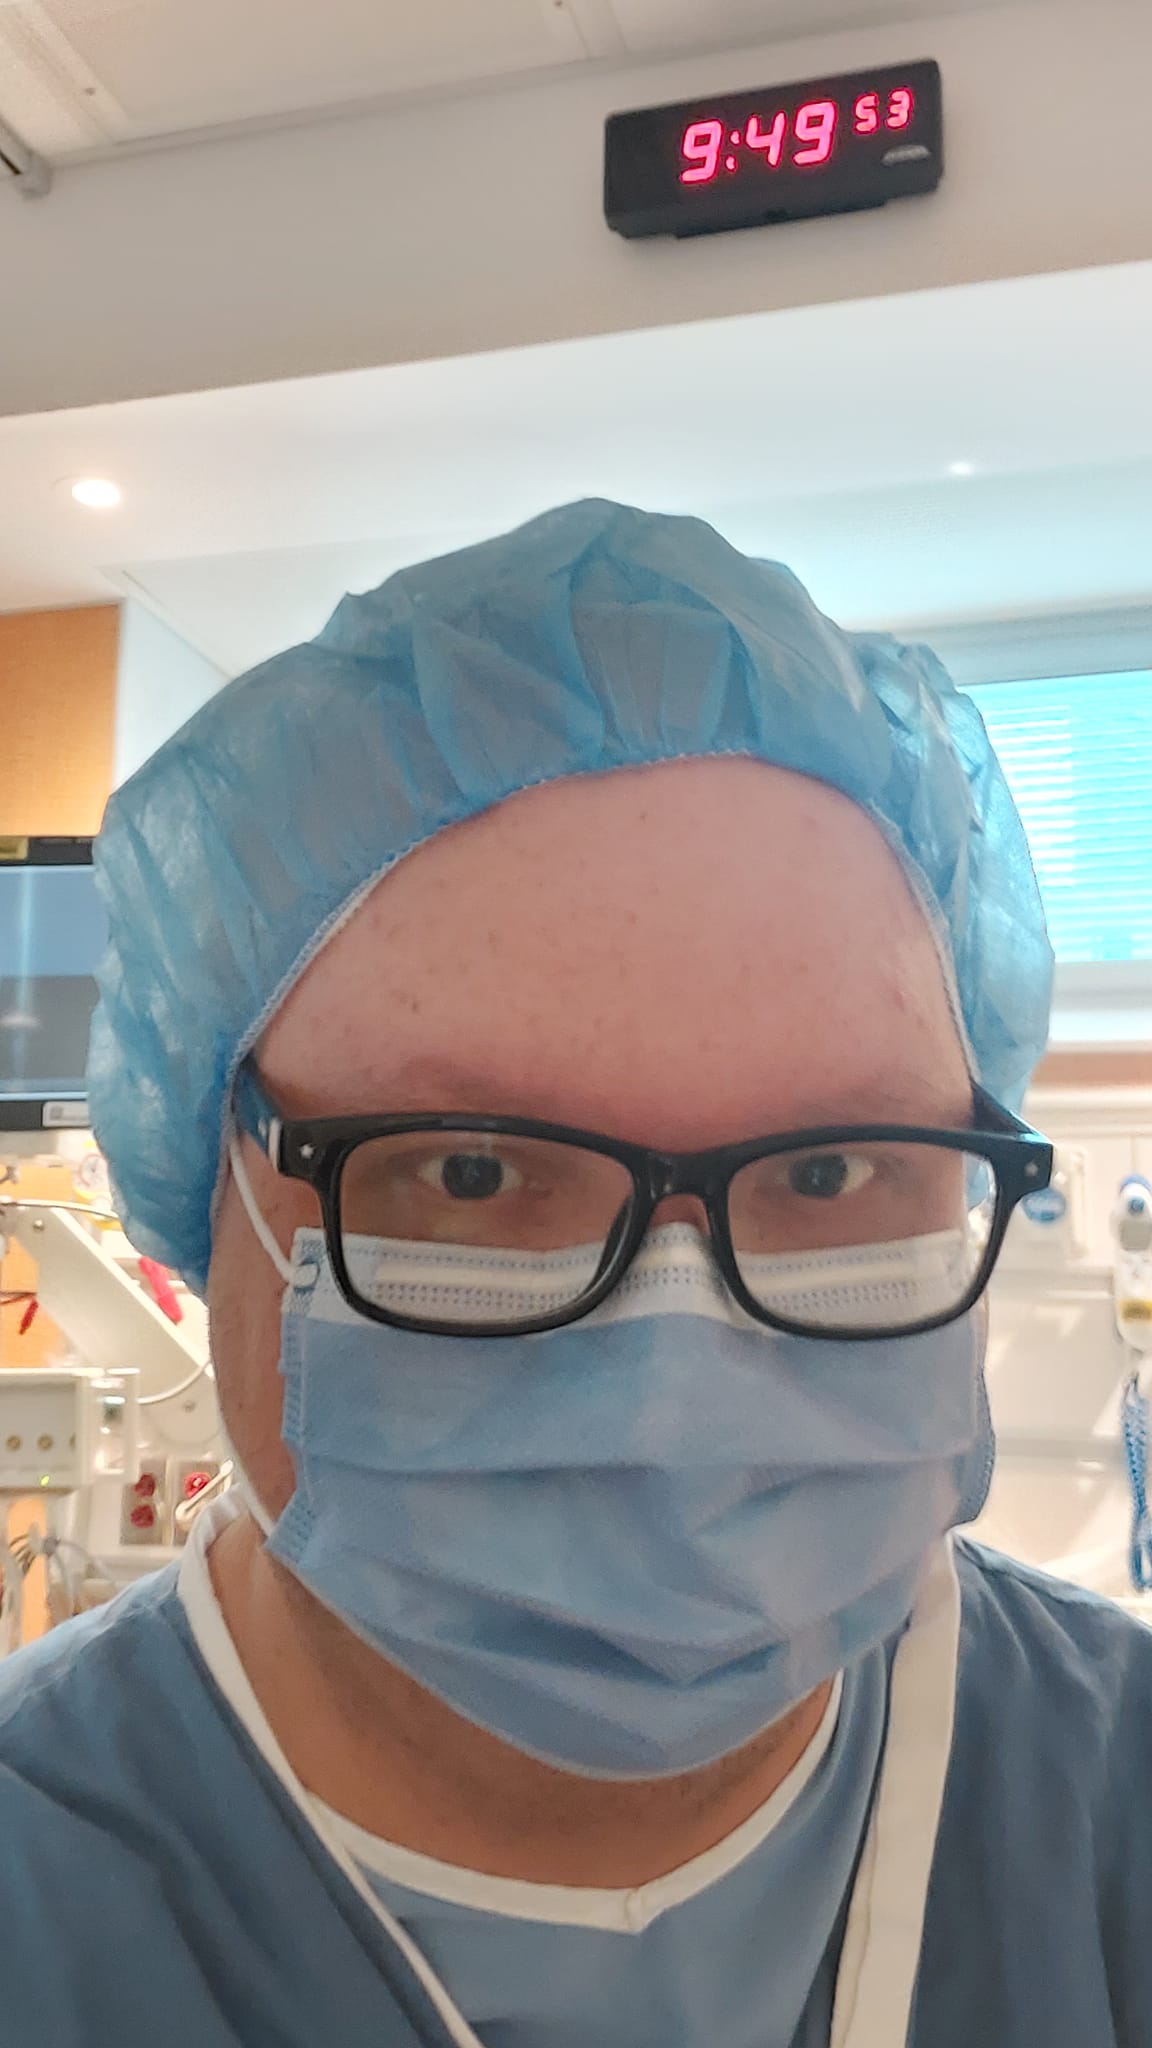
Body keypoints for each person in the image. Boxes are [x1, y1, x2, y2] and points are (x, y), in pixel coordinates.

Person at [1, 499, 1150, 2047]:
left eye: (826, 1171)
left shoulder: (1113, 1807)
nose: (678, 1370)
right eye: (471, 1171)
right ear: (214, 1199)